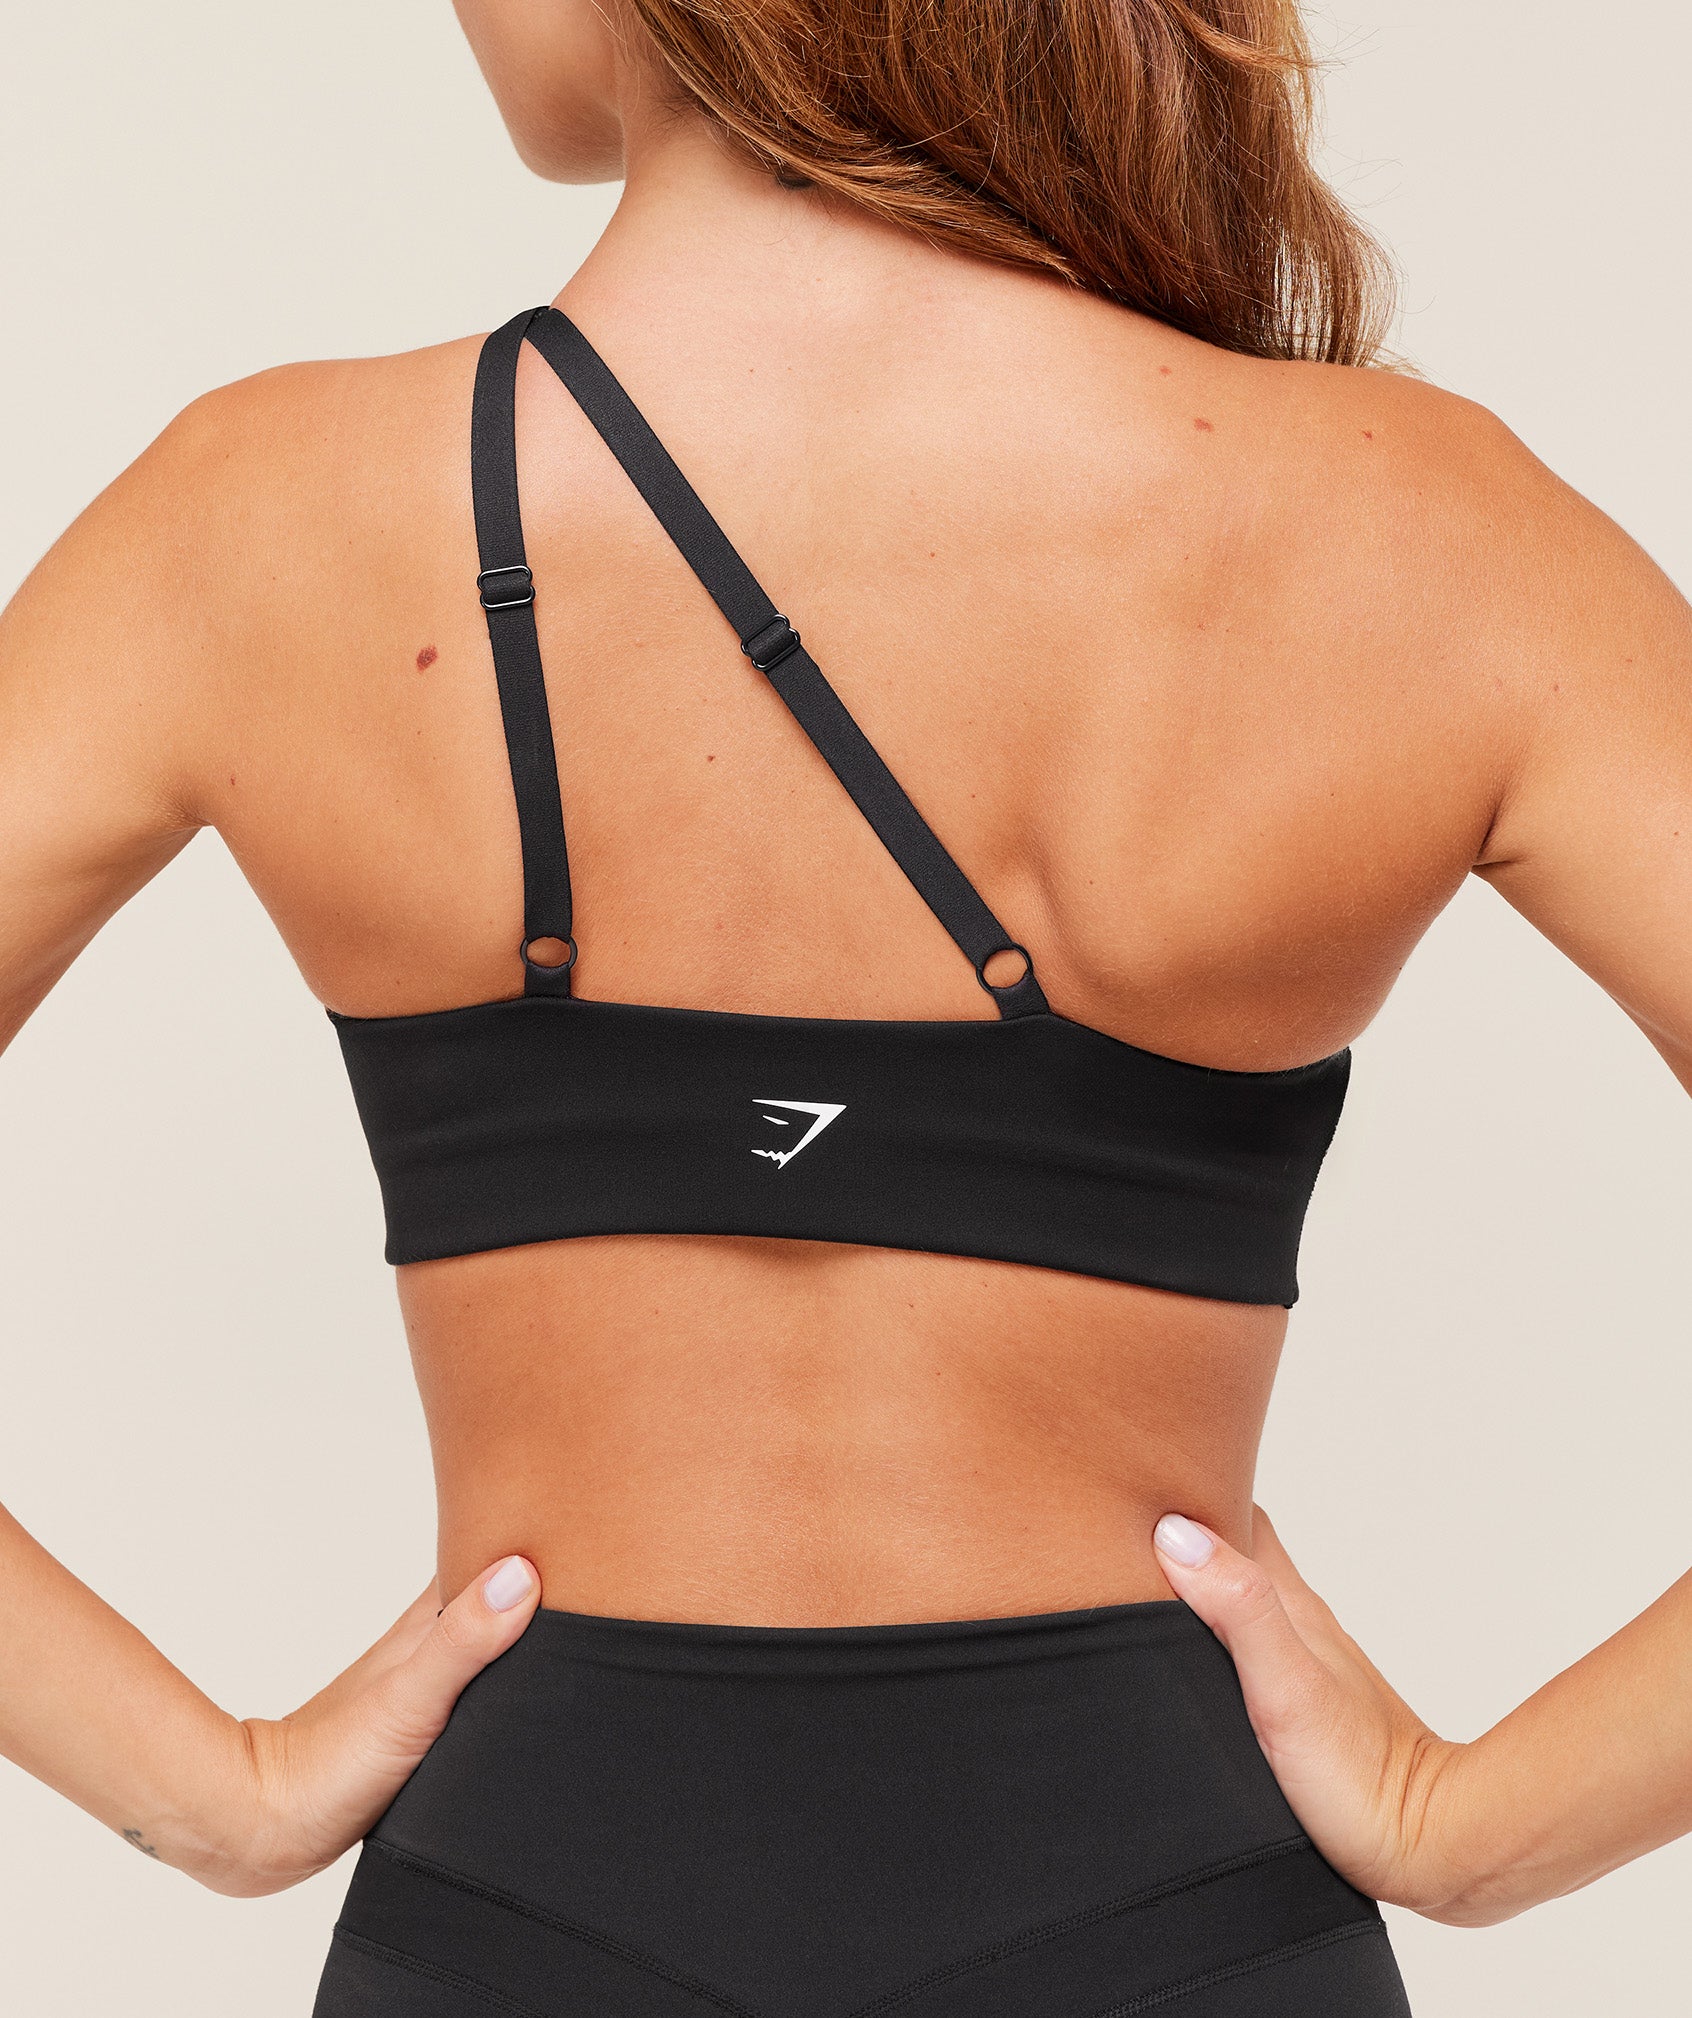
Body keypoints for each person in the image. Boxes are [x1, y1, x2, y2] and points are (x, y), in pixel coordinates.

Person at [2, 0, 1689, 2011]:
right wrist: (1474, 1829)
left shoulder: (253, 515)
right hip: (1185, 1916)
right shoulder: (1431, 533)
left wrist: (211, 1798)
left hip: (518, 1915)